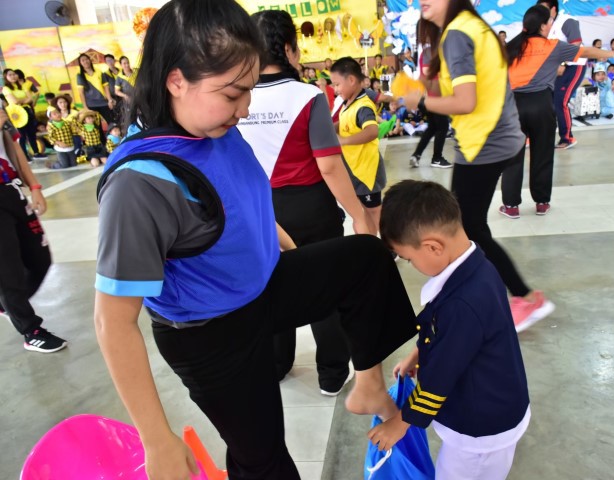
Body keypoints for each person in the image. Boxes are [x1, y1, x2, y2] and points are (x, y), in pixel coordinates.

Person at [93, 1, 416, 479]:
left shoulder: (211, 127)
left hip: (263, 286)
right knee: (263, 457)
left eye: (249, 89)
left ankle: (367, 385)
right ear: (176, 80)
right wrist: (156, 437)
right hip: (211, 333)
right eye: (233, 94)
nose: (245, 109)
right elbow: (113, 322)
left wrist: (280, 244)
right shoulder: (140, 184)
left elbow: (244, 196)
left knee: (367, 258)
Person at [237, 9, 374, 394]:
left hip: (260, 209)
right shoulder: (308, 96)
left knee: (271, 285)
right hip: (310, 207)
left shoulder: (238, 95)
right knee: (323, 288)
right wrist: (358, 214)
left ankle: (278, 364)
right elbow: (329, 165)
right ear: (288, 48)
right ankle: (331, 373)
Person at [404, 0, 555, 329]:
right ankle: (501, 294)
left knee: (466, 227)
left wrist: (421, 100)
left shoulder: (458, 33)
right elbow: (469, 90)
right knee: (468, 225)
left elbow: (465, 101)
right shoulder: (472, 27)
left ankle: (524, 297)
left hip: (485, 142)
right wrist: (426, 84)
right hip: (494, 138)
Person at [369, 180, 531, 480]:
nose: (411, 264)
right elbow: (450, 336)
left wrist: (400, 423)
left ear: (433, 246)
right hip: (493, 400)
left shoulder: (462, 304)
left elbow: (439, 379)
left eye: (409, 258)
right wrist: (418, 353)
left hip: (479, 430)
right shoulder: (476, 264)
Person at [502, 6, 614, 217]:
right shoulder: (554, 46)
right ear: (543, 26)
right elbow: (587, 52)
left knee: (512, 157)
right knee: (543, 154)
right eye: (550, 22)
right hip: (542, 105)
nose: (551, 25)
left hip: (513, 106)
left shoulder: (510, 47)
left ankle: (511, 206)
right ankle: (542, 202)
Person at [0, 108, 67, 353]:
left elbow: (14, 148)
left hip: (11, 190)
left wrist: (35, 187)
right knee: (8, 270)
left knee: (40, 258)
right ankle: (30, 330)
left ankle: (8, 303)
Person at [330, 57, 386, 232]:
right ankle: (371, 242)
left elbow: (372, 131)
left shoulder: (363, 106)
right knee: (366, 211)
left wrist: (343, 141)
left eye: (337, 84)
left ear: (352, 80)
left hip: (366, 171)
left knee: (374, 212)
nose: (335, 90)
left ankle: (387, 244)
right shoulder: (349, 103)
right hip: (355, 169)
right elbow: (346, 122)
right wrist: (330, 128)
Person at [536, 0, 586, 149]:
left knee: (560, 101)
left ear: (553, 9)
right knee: (547, 102)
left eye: (544, 8)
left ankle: (567, 138)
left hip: (574, 65)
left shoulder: (567, 21)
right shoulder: (544, 24)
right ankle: (543, 136)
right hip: (555, 68)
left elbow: (575, 45)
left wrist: (563, 63)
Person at [409, 21, 451, 169]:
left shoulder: (431, 51)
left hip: (431, 97)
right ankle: (437, 158)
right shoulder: (430, 52)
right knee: (443, 126)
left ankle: (416, 155)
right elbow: (427, 75)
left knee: (433, 127)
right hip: (434, 97)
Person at [2, 69, 46, 161]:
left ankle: (36, 153)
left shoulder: (21, 86)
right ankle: (25, 157)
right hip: (16, 113)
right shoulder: (6, 88)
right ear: (6, 77)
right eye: (10, 75)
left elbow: (30, 98)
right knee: (22, 135)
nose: (13, 76)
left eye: (14, 74)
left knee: (31, 133)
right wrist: (24, 99)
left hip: (27, 110)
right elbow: (14, 101)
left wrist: (21, 101)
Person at [76, 53, 115, 125]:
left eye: (86, 59)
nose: (85, 61)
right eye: (83, 60)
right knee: (96, 126)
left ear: (90, 60)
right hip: (91, 105)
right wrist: (85, 107)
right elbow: (81, 92)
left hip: (103, 102)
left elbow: (106, 86)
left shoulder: (99, 71)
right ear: (80, 63)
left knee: (112, 122)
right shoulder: (80, 75)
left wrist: (110, 100)